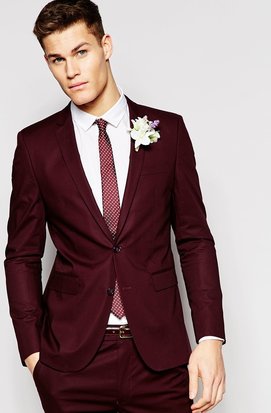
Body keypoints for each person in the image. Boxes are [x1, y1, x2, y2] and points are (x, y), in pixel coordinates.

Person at [4, 1, 226, 412]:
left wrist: (210, 338)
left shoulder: (169, 132)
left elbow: (195, 239)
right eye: (57, 59)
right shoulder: (35, 146)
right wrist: (33, 354)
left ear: (106, 45)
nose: (70, 71)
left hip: (159, 359)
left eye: (81, 52)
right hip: (71, 362)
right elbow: (21, 254)